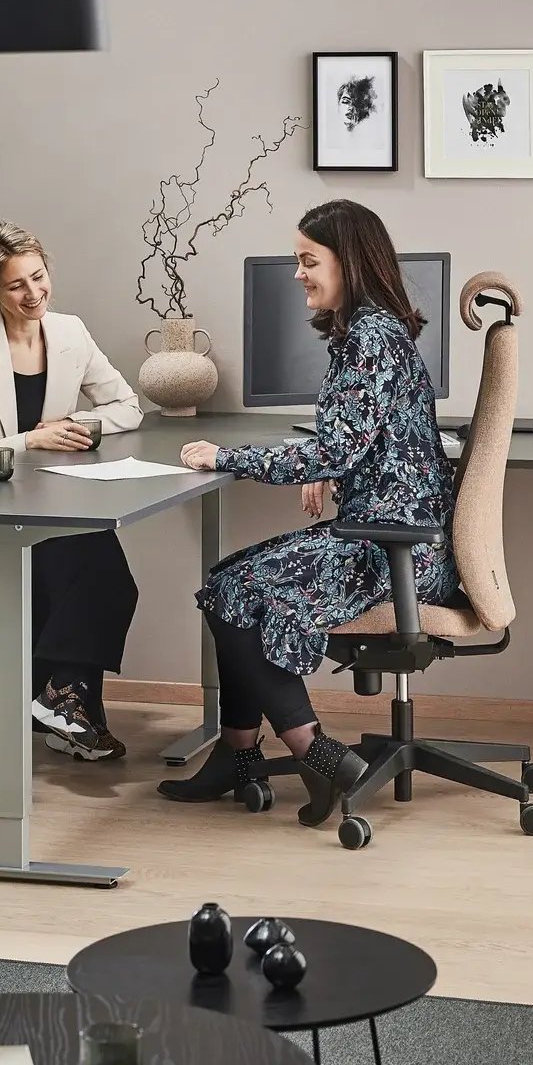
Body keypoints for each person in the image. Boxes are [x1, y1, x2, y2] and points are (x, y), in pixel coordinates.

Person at [158, 198, 458, 824]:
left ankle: (316, 754)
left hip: (394, 548)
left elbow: (338, 446)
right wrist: (327, 463)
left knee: (234, 589)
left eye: (308, 260)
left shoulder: (370, 338)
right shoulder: (375, 330)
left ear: (348, 261)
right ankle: (239, 753)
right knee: (227, 581)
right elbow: (356, 439)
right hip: (393, 534)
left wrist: (226, 456)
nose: (298, 273)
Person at [0, 219, 141, 761]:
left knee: (103, 576)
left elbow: (127, 407)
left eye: (39, 277)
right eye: (16, 285)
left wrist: (77, 425)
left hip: (49, 496)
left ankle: (62, 703)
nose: (33, 293)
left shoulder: (70, 333)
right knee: (93, 573)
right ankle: (67, 706)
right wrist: (31, 440)